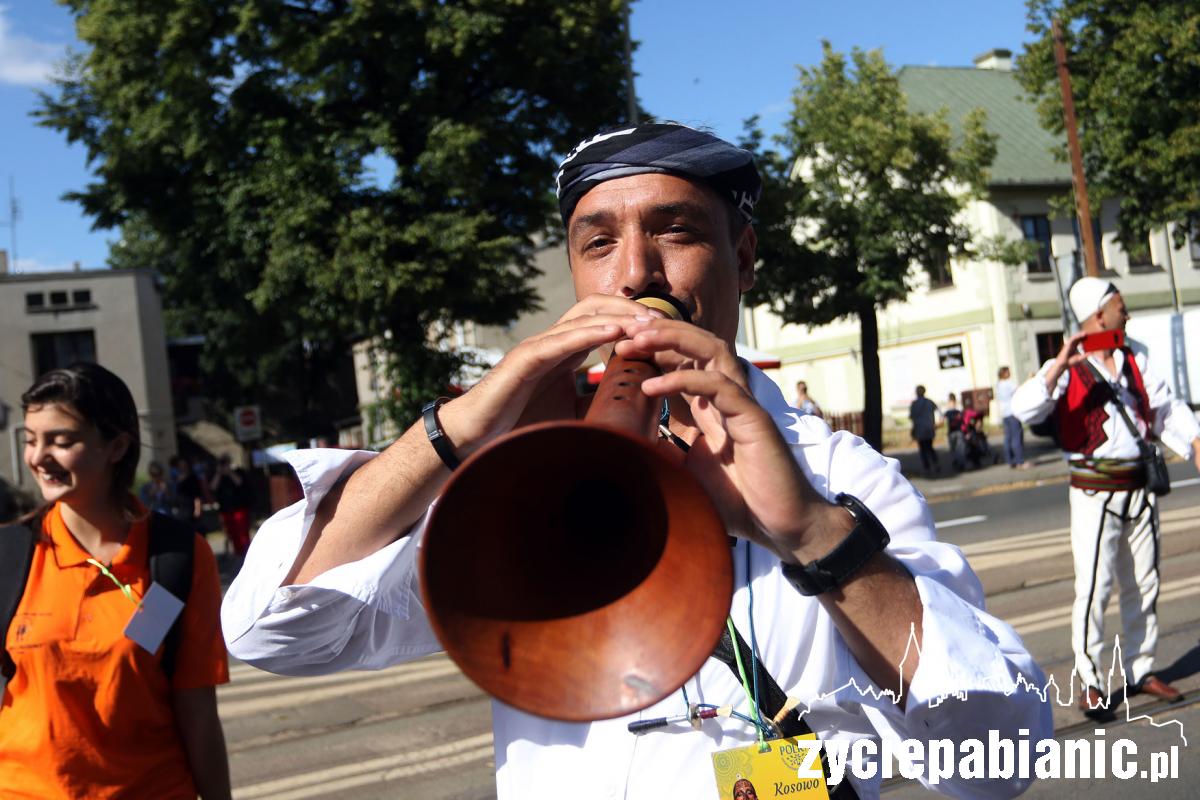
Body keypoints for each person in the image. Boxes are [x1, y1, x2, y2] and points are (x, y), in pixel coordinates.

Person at [222, 122, 1048, 798]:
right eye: (599, 242)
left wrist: (813, 537)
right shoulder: (526, 474)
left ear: (746, 258)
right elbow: (271, 631)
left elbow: (1000, 759)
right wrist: (457, 431)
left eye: (675, 232)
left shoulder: (840, 477)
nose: (635, 275)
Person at [1, 363, 231, 798]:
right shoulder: (9, 556)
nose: (38, 457)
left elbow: (197, 709)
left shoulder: (176, 557)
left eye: (61, 441)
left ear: (116, 446)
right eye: (31, 440)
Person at [1011, 277, 1200, 718]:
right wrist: (1060, 360)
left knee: (1146, 584)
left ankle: (1142, 669)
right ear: (1098, 315)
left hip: (1141, 489)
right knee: (1094, 589)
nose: (1127, 312)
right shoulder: (1067, 369)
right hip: (1095, 493)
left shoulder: (1133, 357)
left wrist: (1194, 442)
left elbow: (1166, 408)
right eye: (1120, 306)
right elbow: (1024, 408)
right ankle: (1091, 682)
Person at [211, 454, 252, 556]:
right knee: (232, 533)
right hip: (225, 509)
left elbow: (239, 482)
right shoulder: (218, 476)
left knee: (243, 532)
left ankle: (247, 552)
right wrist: (219, 473)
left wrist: (230, 472)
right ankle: (238, 552)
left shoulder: (237, 471)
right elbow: (213, 487)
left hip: (239, 507)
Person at [996, 367, 1027, 470]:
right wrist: (1029, 379)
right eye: (1008, 371)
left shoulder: (998, 385)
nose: (1010, 373)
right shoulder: (1008, 383)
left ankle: (1010, 460)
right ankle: (1020, 461)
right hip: (1012, 412)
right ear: (1004, 373)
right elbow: (1020, 389)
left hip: (1004, 414)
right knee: (1016, 437)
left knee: (1008, 438)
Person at [908, 385, 939, 474]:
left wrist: (913, 430)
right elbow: (937, 412)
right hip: (929, 428)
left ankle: (927, 467)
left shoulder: (914, 404)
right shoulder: (930, 402)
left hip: (919, 429)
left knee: (922, 449)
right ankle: (935, 463)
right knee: (929, 447)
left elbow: (912, 417)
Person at [944, 393, 964, 471]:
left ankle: (955, 461)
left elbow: (943, 419)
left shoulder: (948, 410)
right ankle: (961, 462)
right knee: (960, 448)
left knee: (953, 448)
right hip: (959, 430)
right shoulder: (959, 408)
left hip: (951, 431)